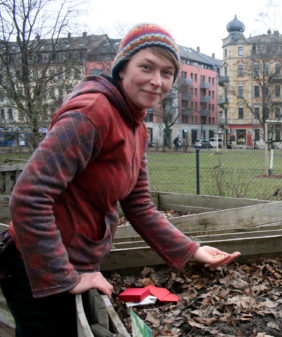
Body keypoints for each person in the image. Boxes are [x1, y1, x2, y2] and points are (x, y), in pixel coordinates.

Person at [1, 23, 240, 337]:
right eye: (146, 67)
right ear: (122, 68)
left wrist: (192, 249)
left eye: (167, 73)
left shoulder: (134, 124)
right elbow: (29, 196)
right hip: (37, 269)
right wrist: (66, 276)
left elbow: (139, 205)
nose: (157, 81)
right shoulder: (91, 114)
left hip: (76, 265)